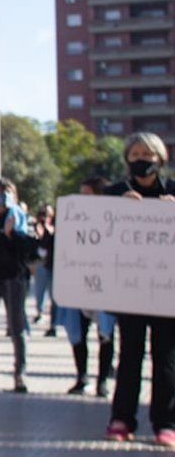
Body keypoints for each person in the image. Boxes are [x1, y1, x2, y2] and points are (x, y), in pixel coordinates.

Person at [103, 133, 175, 446]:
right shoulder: (114, 193)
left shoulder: (173, 192)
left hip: (167, 293)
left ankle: (166, 422)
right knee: (129, 356)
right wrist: (117, 210)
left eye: (147, 154)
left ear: (161, 158)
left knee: (167, 359)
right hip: (127, 292)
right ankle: (122, 418)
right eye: (134, 154)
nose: (141, 160)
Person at [56, 176, 115, 397]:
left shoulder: (113, 219)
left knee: (106, 334)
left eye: (87, 194)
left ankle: (102, 380)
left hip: (104, 285)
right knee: (77, 332)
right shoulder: (73, 219)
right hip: (78, 284)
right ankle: (82, 377)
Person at [0, 178, 31, 393]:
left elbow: (26, 250)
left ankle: (20, 372)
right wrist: (1, 232)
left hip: (14, 276)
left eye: (6, 193)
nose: (1, 198)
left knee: (17, 327)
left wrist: (12, 234)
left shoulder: (18, 218)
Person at [31, 203, 56, 334]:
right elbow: (34, 245)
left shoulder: (56, 228)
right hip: (41, 264)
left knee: (54, 296)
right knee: (39, 291)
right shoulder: (37, 227)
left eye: (47, 215)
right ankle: (40, 313)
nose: (45, 217)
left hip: (53, 265)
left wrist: (50, 232)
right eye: (42, 215)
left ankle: (53, 324)